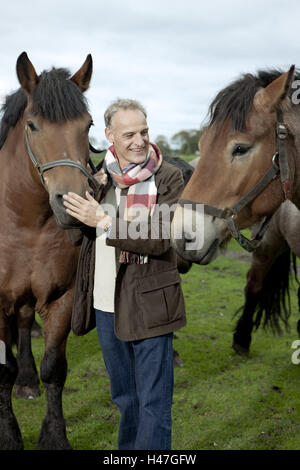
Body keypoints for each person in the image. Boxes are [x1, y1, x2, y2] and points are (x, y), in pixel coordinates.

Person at [63, 99, 186, 450]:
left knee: (152, 405)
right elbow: (77, 236)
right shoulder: (102, 178)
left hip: (151, 307)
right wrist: (82, 198)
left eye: (144, 132)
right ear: (110, 136)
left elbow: (161, 238)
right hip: (105, 306)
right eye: (129, 134)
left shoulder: (168, 177)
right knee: (126, 400)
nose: (139, 141)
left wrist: (103, 219)